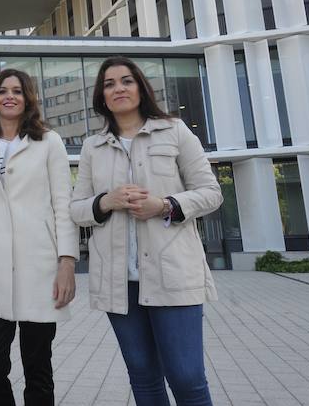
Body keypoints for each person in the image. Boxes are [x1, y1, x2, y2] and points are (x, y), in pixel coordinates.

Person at [70, 57, 222, 406]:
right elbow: (77, 209)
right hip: (118, 282)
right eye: (109, 84)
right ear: (102, 96)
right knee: (143, 379)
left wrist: (165, 205)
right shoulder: (93, 147)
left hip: (173, 275)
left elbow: (211, 192)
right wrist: (106, 200)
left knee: (187, 380)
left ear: (140, 87)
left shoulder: (175, 131)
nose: (118, 88)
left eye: (126, 80)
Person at [0, 69, 78, 406]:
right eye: (2, 91)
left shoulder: (48, 142)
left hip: (39, 270)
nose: (9, 96)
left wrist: (66, 263)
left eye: (17, 90)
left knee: (38, 368)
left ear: (28, 98)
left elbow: (62, 204)